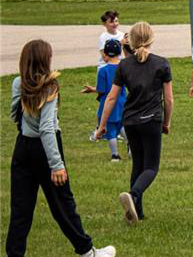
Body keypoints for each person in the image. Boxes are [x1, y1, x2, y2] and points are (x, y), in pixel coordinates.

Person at [7, 39, 116, 257]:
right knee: (62, 204)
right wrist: (56, 165)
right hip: (46, 149)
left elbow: (13, 114)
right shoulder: (50, 85)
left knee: (20, 209)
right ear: (44, 61)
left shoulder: (18, 82)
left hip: (22, 147)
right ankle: (87, 252)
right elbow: (47, 128)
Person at [97, 21, 173, 225]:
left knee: (137, 165)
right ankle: (134, 194)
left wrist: (101, 125)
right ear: (151, 39)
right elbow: (169, 99)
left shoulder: (124, 65)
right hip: (151, 119)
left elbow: (111, 98)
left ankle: (136, 212)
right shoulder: (162, 63)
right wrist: (166, 122)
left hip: (130, 121)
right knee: (151, 167)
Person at [82, 39, 126, 162]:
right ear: (120, 53)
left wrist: (92, 90)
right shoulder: (124, 67)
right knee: (122, 126)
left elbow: (102, 90)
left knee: (111, 131)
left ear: (105, 55)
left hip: (108, 104)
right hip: (122, 102)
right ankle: (131, 147)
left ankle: (115, 155)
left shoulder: (103, 70)